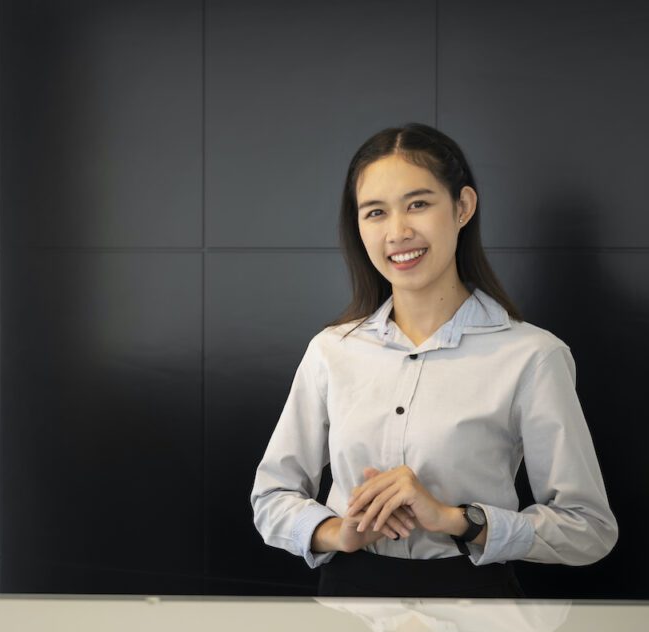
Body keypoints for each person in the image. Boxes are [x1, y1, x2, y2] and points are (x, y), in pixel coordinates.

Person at [249, 123, 618, 598]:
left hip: (476, 616)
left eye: (418, 204)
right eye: (376, 212)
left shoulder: (532, 356)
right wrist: (338, 532)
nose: (398, 232)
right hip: (347, 610)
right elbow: (271, 498)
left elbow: (588, 530)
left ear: (462, 207)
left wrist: (455, 520)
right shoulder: (331, 351)